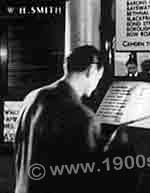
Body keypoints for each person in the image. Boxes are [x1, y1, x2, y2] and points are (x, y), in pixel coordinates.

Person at [14, 45, 108, 193]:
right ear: (92, 70)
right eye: (99, 77)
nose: (97, 85)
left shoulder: (31, 98)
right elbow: (87, 179)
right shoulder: (83, 116)